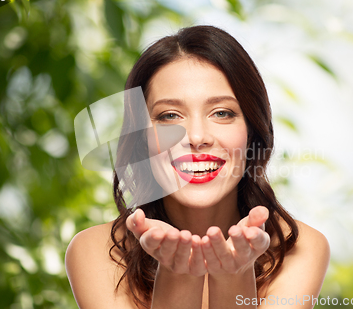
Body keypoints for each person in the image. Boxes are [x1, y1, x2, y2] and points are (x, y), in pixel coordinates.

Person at [65, 25, 330, 309]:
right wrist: (177, 276)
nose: (196, 137)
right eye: (169, 116)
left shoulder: (300, 249)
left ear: (252, 131)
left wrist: (233, 277)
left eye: (221, 113)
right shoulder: (95, 252)